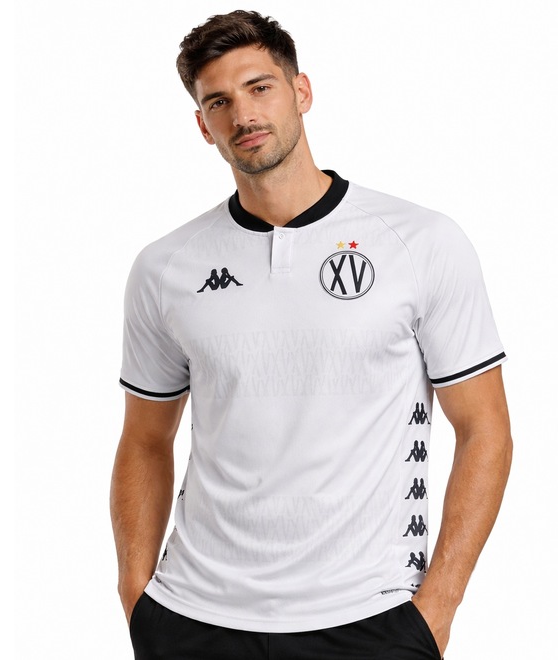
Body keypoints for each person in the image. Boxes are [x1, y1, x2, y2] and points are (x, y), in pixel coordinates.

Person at [110, 9, 512, 660]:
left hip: (372, 618)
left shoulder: (420, 243)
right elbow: (145, 438)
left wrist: (438, 608)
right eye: (219, 101)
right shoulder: (166, 267)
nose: (243, 114)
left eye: (260, 87)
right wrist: (136, 595)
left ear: (301, 91)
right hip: (193, 617)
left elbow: (484, 428)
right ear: (203, 125)